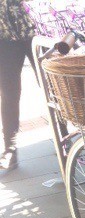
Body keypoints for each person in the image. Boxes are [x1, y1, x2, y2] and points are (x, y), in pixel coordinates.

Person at [0, 0, 35, 172]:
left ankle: (66, 138)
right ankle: (10, 150)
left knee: (54, 87)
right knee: (9, 93)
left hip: (36, 30)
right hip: (4, 35)